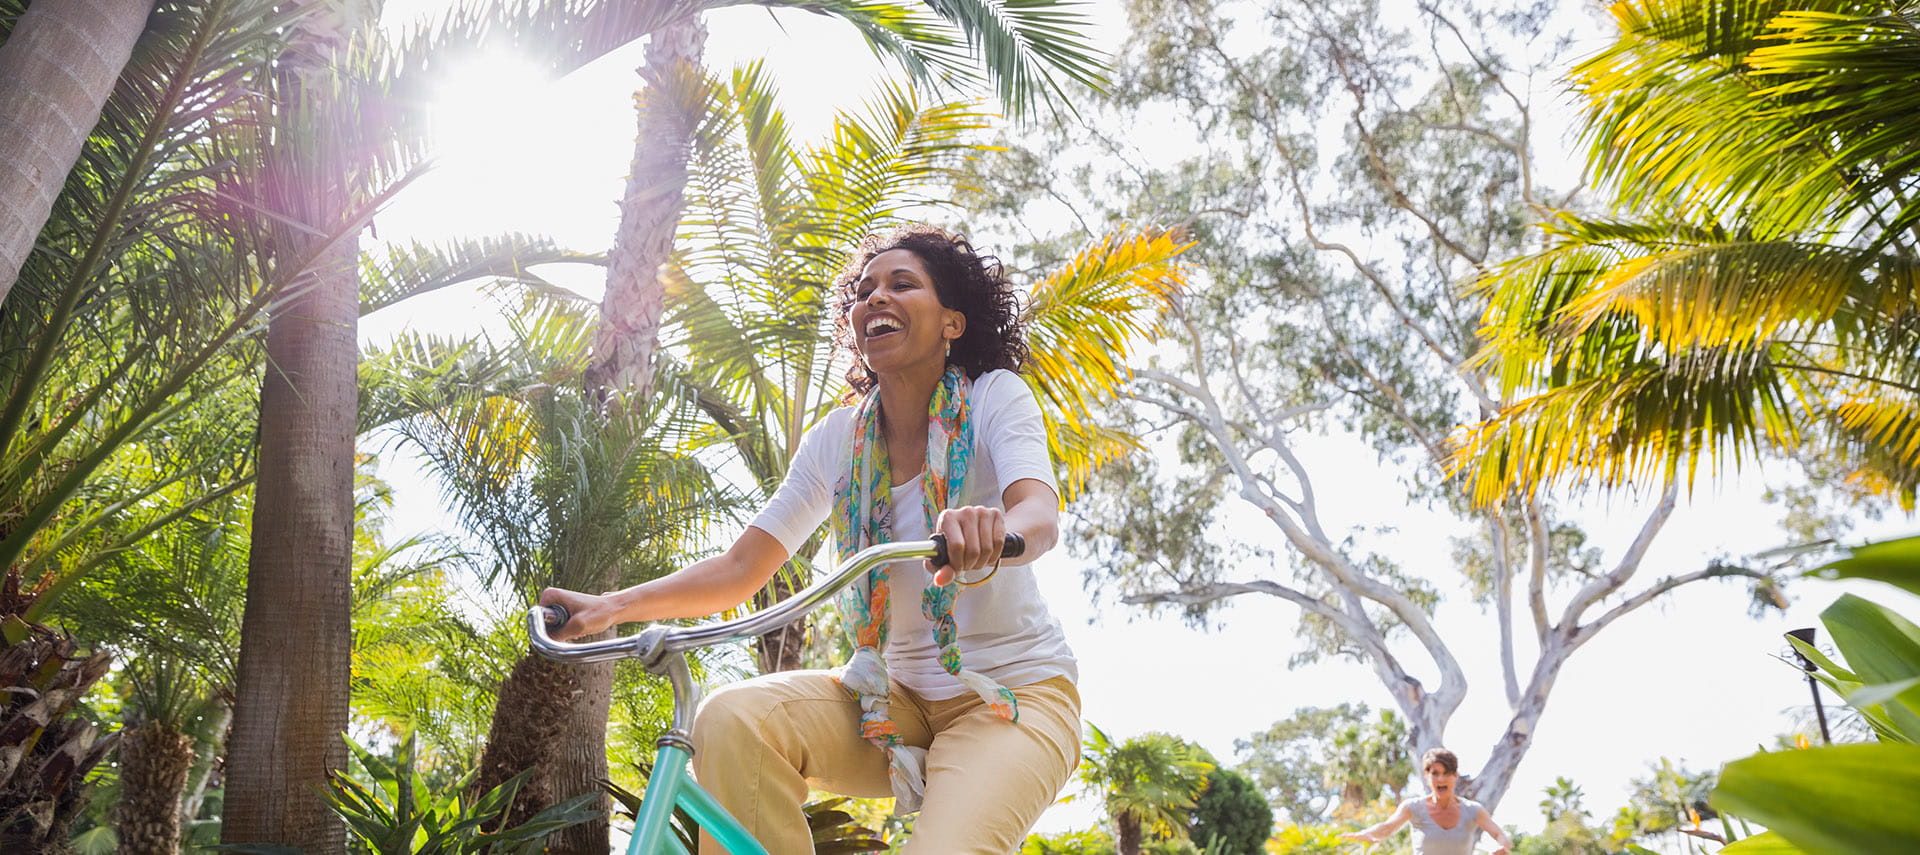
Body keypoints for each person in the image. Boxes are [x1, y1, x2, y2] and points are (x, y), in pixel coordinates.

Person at [540, 224, 1080, 855]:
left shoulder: (994, 398)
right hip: (890, 700)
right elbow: (742, 567)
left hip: (1013, 698)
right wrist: (612, 608)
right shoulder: (837, 439)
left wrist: (995, 532)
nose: (875, 298)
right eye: (865, 289)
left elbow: (1038, 513)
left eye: (902, 284)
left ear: (952, 322)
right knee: (733, 720)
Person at [1340, 748, 1512, 855]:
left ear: (1455, 776)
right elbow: (1387, 828)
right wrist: (1368, 833)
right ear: (1426, 776)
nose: (1440, 779)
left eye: (1446, 773)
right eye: (1435, 773)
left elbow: (1499, 835)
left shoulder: (1472, 810)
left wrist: (1501, 847)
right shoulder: (1413, 807)